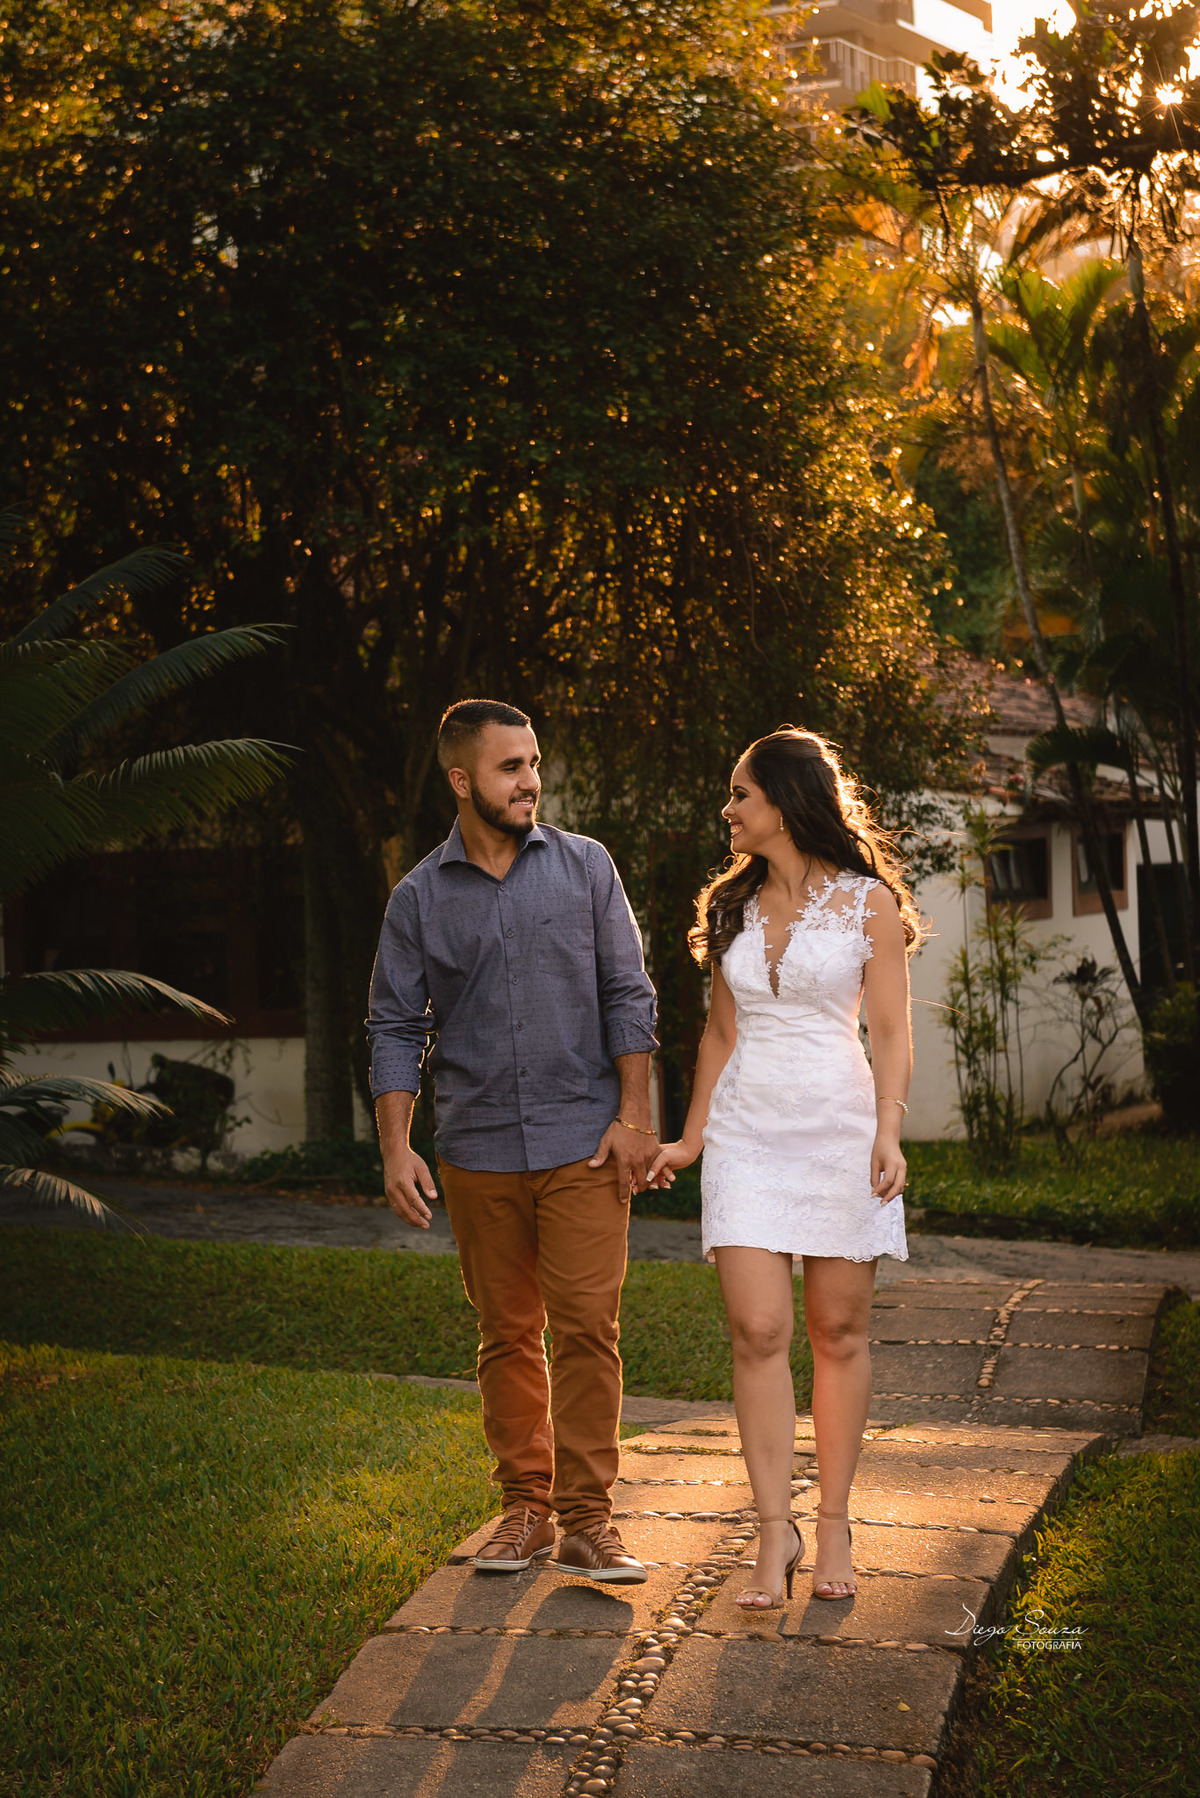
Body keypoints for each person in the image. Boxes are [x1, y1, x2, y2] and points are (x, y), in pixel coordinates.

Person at [366, 698, 660, 1584]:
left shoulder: (585, 868)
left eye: (534, 762)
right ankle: (525, 1510)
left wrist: (635, 1118)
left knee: (585, 1331)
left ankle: (587, 1521)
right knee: (505, 1334)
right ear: (462, 781)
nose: (531, 780)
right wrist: (396, 1146)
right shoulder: (418, 896)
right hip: (478, 1148)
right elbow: (392, 1024)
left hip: (583, 1143)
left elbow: (629, 996)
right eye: (509, 767)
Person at [648, 726, 917, 1608]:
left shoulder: (867, 903)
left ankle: (834, 1521)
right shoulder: (729, 905)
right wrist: (688, 1139)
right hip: (745, 1138)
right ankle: (775, 1533)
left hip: (840, 1131)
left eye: (740, 795)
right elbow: (720, 1033)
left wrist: (888, 1130)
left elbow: (889, 1031)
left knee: (837, 1334)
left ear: (785, 804)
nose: (727, 810)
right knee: (757, 1333)